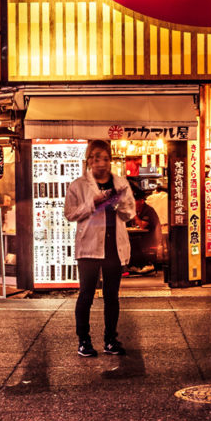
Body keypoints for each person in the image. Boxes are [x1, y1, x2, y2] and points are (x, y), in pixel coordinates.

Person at [63, 139, 136, 357]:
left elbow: (129, 214)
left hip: (114, 246)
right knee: (86, 294)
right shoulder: (78, 185)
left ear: (110, 160)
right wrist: (92, 203)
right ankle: (83, 340)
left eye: (104, 158)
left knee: (112, 295)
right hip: (89, 247)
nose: (100, 162)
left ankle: (111, 340)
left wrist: (119, 203)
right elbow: (70, 214)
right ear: (88, 160)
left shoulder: (121, 183)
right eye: (95, 157)